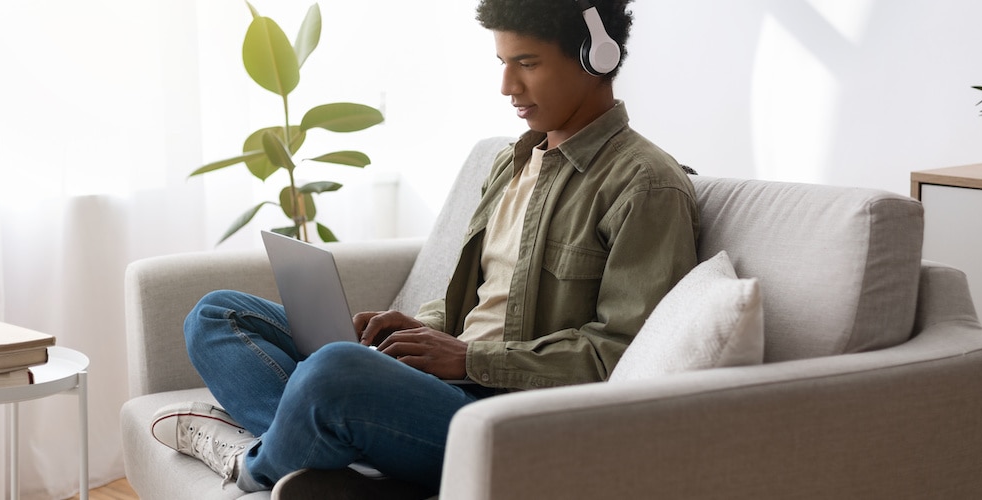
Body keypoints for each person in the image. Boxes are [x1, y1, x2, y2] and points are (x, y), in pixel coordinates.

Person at [149, 0, 700, 497]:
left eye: (527, 63)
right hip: (445, 382)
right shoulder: (511, 162)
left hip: (502, 415)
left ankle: (255, 465)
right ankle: (322, 462)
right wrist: (417, 328)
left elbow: (624, 356)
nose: (507, 86)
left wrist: (467, 358)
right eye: (502, 63)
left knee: (334, 372)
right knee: (217, 313)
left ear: (595, 57)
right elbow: (479, 302)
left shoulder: (645, 185)